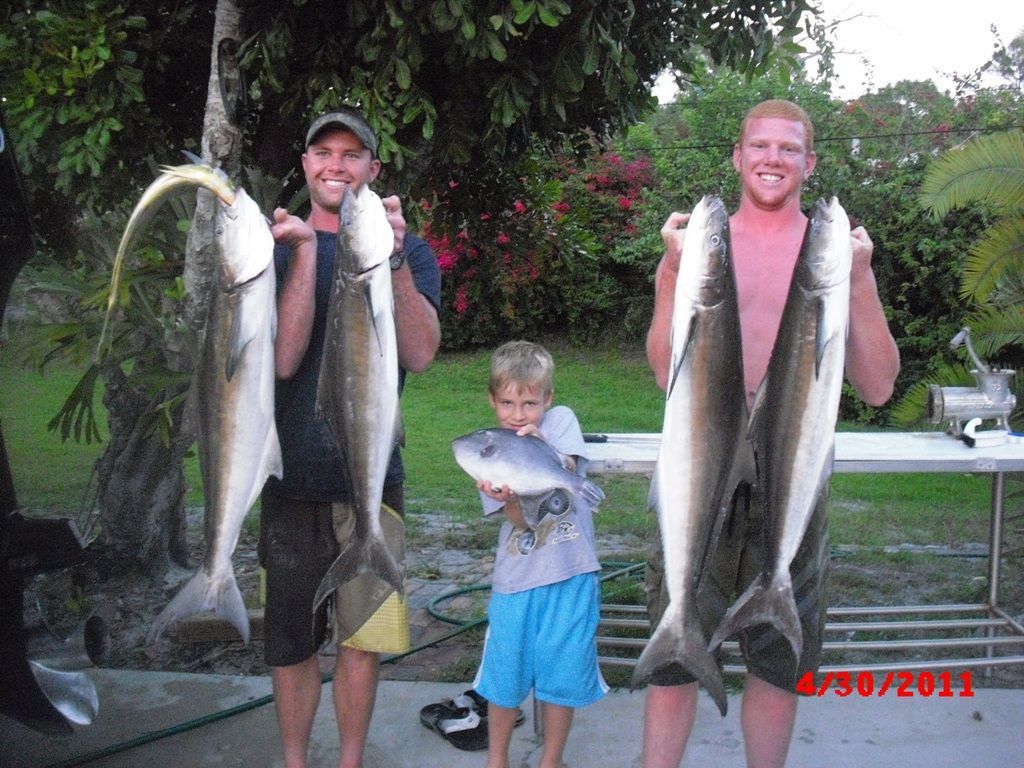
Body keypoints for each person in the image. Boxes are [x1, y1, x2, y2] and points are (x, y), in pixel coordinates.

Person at [642, 99, 900, 768]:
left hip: (795, 466)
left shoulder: (832, 252)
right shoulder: (703, 244)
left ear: (808, 163)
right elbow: (659, 368)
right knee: (673, 668)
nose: (773, 159)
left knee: (777, 667)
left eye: (789, 149)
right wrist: (672, 273)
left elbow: (876, 386)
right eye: (761, 146)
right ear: (738, 156)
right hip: (701, 464)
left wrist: (862, 278)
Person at [260, 107, 441, 768]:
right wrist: (306, 251)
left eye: (350, 154)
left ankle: (350, 762)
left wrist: (390, 261)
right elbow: (283, 360)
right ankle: (295, 761)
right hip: (291, 484)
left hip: (373, 485)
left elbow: (420, 355)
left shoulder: (410, 251)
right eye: (323, 153)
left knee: (362, 642)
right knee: (292, 642)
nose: (336, 165)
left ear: (373, 169)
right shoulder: (274, 244)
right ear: (305, 164)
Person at [470, 341, 609, 768]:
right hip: (516, 583)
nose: (518, 413)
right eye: (508, 403)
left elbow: (566, 465)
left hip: (571, 574)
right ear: (493, 402)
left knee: (562, 677)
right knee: (503, 677)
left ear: (546, 399)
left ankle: (551, 759)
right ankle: (498, 759)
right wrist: (506, 495)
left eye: (529, 402)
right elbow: (520, 521)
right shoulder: (489, 451)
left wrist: (540, 444)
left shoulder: (560, 422)